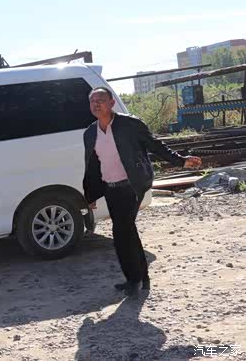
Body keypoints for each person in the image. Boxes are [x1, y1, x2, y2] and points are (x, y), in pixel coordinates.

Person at [83, 87, 201, 298]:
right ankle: (141, 278)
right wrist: (90, 195)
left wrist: (180, 161)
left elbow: (155, 145)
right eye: (92, 101)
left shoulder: (130, 124)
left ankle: (134, 280)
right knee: (126, 232)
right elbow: (92, 165)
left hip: (132, 185)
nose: (96, 104)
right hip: (111, 189)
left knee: (122, 232)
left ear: (112, 103)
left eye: (100, 99)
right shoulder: (90, 133)